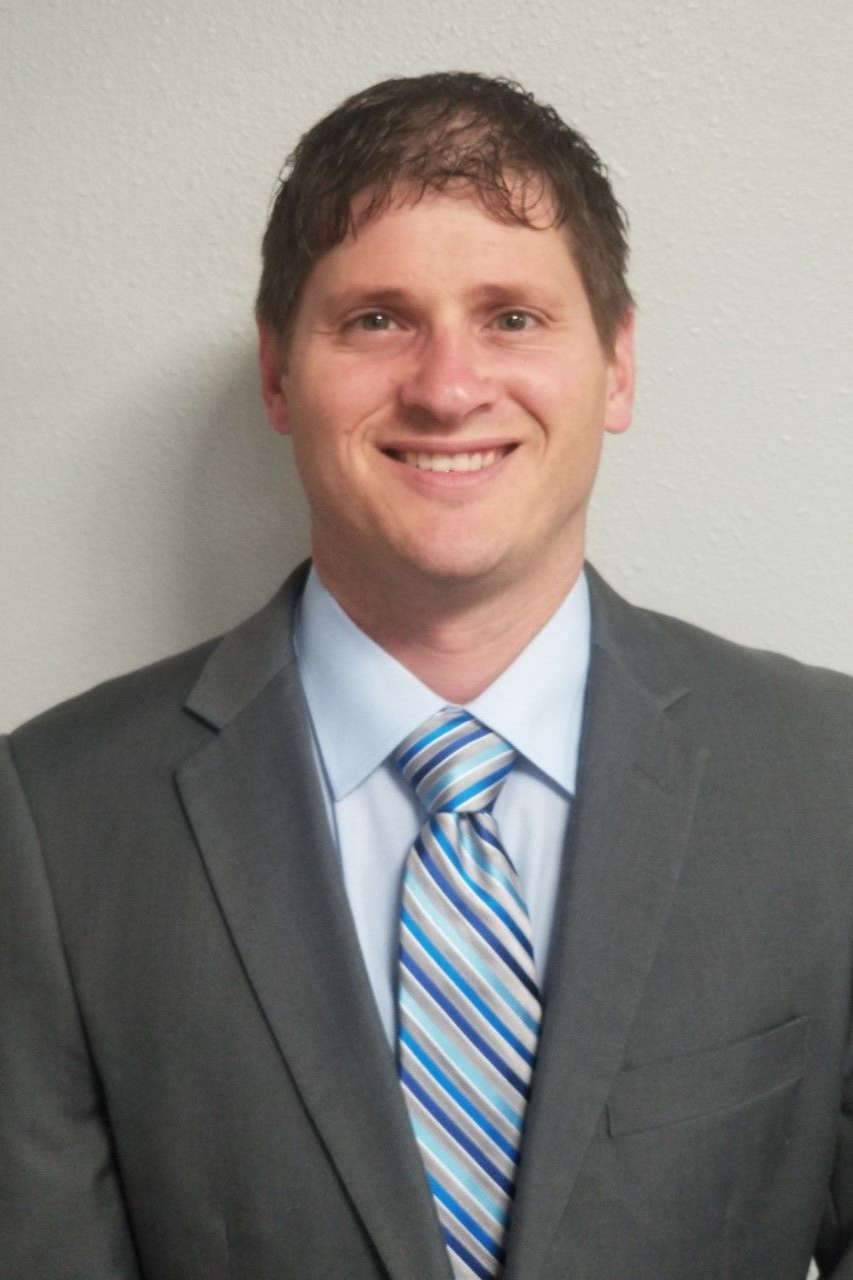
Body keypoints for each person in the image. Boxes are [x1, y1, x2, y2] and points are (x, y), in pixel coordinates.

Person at [1, 71, 851, 1280]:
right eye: (376, 318)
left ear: (615, 365)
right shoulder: (51, 818)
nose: (448, 387)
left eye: (512, 316)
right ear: (279, 373)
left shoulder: (827, 778)